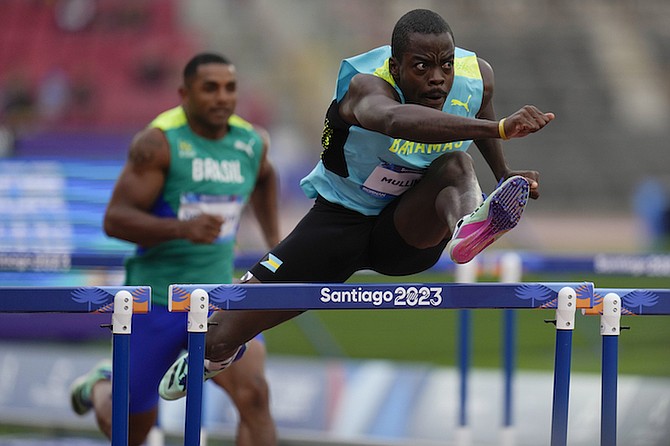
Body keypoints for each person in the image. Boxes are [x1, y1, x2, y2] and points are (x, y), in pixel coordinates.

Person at [158, 8, 555, 401]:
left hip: (407, 229)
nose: (437, 79)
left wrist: (503, 174)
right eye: (421, 67)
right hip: (338, 222)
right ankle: (215, 358)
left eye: (445, 66)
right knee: (215, 336)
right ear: (395, 67)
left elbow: (479, 105)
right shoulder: (365, 88)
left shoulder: (476, 75)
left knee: (455, 164)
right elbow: (399, 121)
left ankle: (469, 223)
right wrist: (500, 127)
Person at [69, 53, 279, 446]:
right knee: (131, 430)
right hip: (155, 302)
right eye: (210, 88)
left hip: (218, 300)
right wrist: (181, 229)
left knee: (254, 396)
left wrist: (274, 241)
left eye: (230, 88)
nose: (222, 98)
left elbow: (266, 177)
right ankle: (99, 385)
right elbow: (115, 220)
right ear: (184, 94)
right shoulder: (159, 143)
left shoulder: (251, 142)